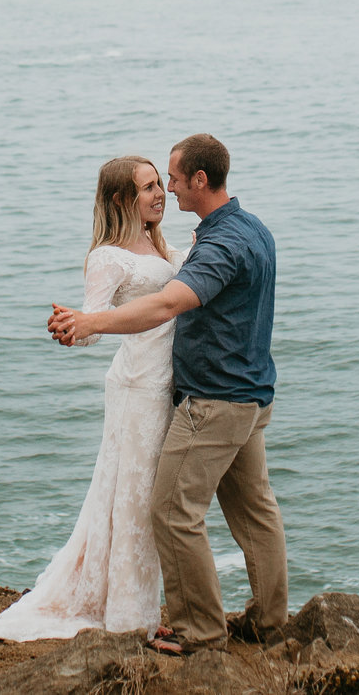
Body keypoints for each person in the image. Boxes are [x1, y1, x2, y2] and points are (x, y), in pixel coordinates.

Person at [47, 133, 282, 658]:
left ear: (200, 179)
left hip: (216, 400)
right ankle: (268, 624)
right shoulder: (251, 229)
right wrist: (80, 326)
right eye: (154, 183)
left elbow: (165, 306)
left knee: (173, 511)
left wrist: (88, 321)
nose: (167, 190)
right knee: (255, 513)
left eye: (170, 180)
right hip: (246, 392)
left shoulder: (217, 245)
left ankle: (203, 634)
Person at [0, 155, 189, 639]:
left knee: (137, 498)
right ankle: (133, 621)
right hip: (137, 387)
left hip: (165, 383)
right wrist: (71, 330)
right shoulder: (107, 256)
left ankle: (133, 608)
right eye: (147, 188)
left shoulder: (155, 240)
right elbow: (94, 327)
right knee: (134, 502)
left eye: (158, 185)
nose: (159, 194)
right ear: (123, 199)